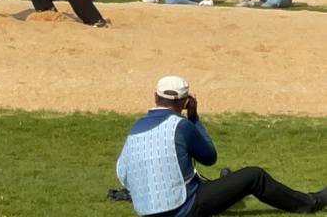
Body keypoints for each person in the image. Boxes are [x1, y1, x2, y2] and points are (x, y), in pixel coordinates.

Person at [116, 75, 327, 217]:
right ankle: (309, 203)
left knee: (213, 181)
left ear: (155, 97)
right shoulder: (180, 125)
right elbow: (209, 157)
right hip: (182, 208)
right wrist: (194, 116)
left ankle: (226, 182)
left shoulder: (135, 127)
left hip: (146, 209)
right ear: (185, 101)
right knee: (254, 176)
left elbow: (123, 173)